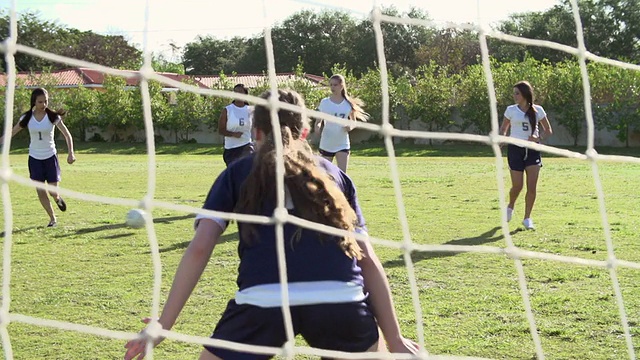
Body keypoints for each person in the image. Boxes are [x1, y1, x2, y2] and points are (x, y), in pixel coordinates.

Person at [124, 90, 418, 360]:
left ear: (256, 132)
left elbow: (200, 248)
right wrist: (395, 338)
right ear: (305, 131)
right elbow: (366, 258)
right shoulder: (335, 175)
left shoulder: (237, 172)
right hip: (341, 300)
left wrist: (164, 324)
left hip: (263, 301)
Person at [0, 88, 75, 227]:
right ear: (34, 101)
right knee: (40, 191)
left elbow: (67, 134)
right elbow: (12, 132)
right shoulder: (27, 118)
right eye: (40, 101)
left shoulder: (53, 117)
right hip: (34, 159)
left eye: (46, 101)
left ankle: (57, 198)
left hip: (50, 157)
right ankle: (52, 218)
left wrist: (71, 153)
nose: (43, 104)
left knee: (53, 191)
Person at [500, 81, 553, 230]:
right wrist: (502, 139)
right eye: (514, 93)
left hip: (532, 151)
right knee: (517, 186)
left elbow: (548, 129)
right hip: (515, 150)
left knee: (532, 186)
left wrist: (538, 138)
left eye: (517, 93)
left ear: (525, 94)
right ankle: (510, 207)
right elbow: (504, 128)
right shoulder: (510, 110)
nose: (515, 96)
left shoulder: (538, 110)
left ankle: (527, 218)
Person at [314, 74, 368, 173]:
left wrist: (349, 127)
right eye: (331, 85)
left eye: (335, 85)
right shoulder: (325, 102)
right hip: (327, 143)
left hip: (342, 144)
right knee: (325, 175)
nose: (332, 87)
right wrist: (317, 128)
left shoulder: (348, 104)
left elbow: (353, 122)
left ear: (341, 86)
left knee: (342, 175)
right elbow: (318, 121)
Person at [217, 84, 254, 166]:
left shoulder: (250, 110)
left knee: (247, 172)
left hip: (247, 146)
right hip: (231, 149)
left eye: (240, 92)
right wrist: (233, 134)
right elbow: (221, 130)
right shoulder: (227, 110)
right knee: (234, 175)